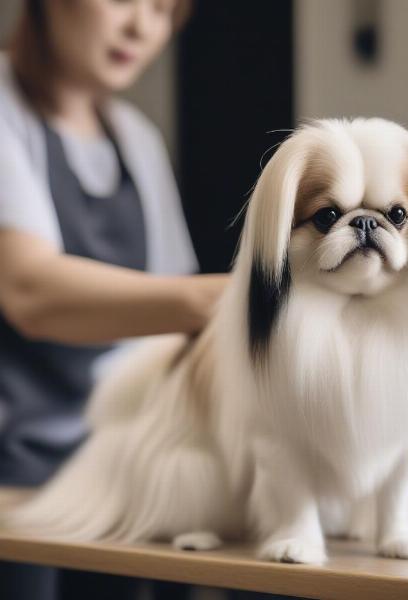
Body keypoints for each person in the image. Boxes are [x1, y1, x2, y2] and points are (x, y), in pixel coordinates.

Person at [0, 1, 228, 598]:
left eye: (162, 10)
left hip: (120, 463)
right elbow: (30, 290)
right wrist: (229, 297)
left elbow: (170, 333)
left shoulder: (137, 140)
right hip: (16, 471)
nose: (142, 28)